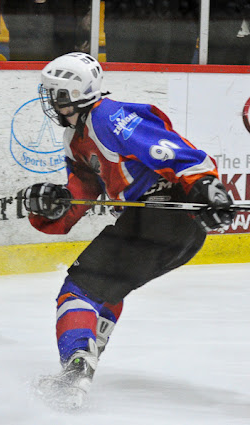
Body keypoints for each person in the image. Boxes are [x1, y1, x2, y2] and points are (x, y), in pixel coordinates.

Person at [22, 52, 235, 409]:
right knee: (108, 289)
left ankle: (76, 369)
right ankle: (86, 355)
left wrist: (205, 185)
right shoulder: (77, 137)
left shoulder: (108, 117)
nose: (49, 101)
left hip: (162, 215)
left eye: (55, 93)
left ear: (73, 95)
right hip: (169, 227)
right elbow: (82, 194)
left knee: (79, 291)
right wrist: (53, 205)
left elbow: (174, 152)